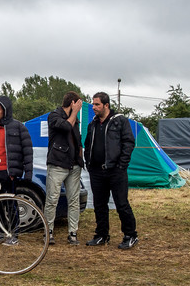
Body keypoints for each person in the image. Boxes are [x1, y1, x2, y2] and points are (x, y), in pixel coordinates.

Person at [84, 92, 138, 249]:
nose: (93, 107)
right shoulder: (92, 124)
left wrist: (122, 165)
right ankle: (102, 234)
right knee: (99, 204)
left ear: (106, 105)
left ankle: (130, 235)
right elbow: (87, 145)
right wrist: (89, 163)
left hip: (116, 171)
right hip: (97, 171)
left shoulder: (119, 121)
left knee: (121, 203)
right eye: (93, 104)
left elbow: (129, 142)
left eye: (97, 104)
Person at [0, 95, 33, 245]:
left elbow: (27, 151)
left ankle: (13, 234)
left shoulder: (18, 127)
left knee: (11, 204)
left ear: (5, 110)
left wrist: (27, 174)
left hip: (8, 172)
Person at [44, 91, 84, 245]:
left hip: (74, 164)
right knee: (52, 199)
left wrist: (80, 158)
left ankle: (73, 233)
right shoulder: (54, 116)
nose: (80, 106)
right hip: (57, 163)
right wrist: (74, 112)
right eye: (78, 103)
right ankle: (49, 232)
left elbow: (77, 138)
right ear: (73, 103)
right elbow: (66, 126)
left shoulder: (76, 119)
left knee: (74, 200)